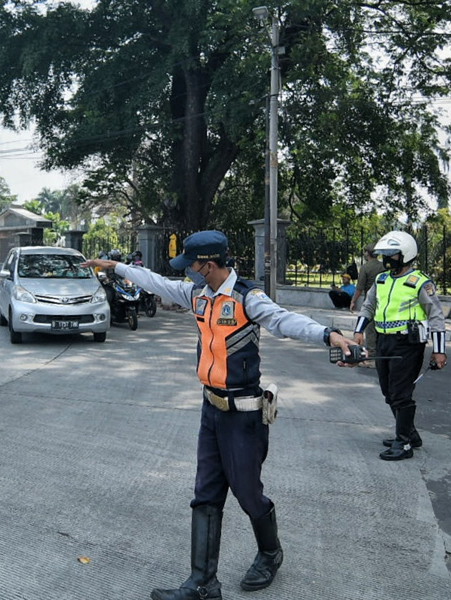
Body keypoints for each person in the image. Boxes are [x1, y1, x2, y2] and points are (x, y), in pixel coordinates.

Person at [81, 230, 357, 600]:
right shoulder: (198, 294)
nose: (188, 273)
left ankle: (270, 552)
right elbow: (159, 283)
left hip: (243, 415)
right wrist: (116, 267)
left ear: (208, 265)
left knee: (247, 493)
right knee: (205, 494)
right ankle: (202, 585)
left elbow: (284, 320)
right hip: (210, 409)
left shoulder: (246, 298)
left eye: (191, 266)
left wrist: (331, 336)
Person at [352, 231, 447, 461]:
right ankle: (409, 433)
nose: (387, 259)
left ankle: (403, 443)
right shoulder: (382, 280)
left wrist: (439, 350)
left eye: (392, 254)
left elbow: (436, 317)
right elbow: (369, 307)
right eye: (385, 255)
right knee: (387, 392)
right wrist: (358, 330)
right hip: (384, 341)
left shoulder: (420, 283)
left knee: (400, 394)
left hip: (407, 344)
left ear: (406, 255)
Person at [350, 244, 386, 356]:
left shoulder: (365, 267)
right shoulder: (383, 266)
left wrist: (353, 301)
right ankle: (381, 352)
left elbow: (359, 288)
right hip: (384, 300)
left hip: (370, 300)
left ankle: (371, 354)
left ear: (367, 253)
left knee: (370, 329)